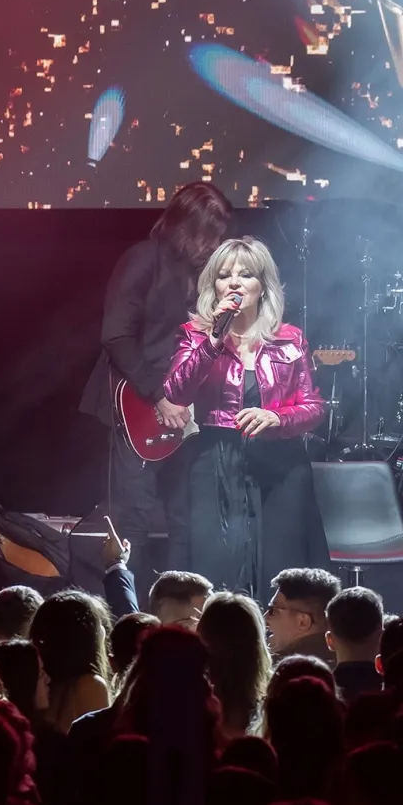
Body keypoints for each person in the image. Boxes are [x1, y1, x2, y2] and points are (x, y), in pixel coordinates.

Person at [80, 183, 234, 574]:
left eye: (217, 235)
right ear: (183, 227)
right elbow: (116, 334)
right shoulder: (142, 260)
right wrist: (158, 394)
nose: (212, 244)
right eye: (206, 235)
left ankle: (182, 611)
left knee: (186, 519)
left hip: (186, 412)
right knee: (135, 519)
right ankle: (128, 617)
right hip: (137, 404)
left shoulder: (206, 275)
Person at [163, 236, 328, 593]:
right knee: (218, 567)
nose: (235, 282)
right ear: (214, 286)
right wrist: (214, 339)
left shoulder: (289, 339)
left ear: (262, 286)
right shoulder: (195, 336)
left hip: (280, 462)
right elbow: (177, 391)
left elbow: (315, 407)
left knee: (282, 568)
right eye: (224, 275)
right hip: (216, 460)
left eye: (246, 274)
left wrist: (278, 418)